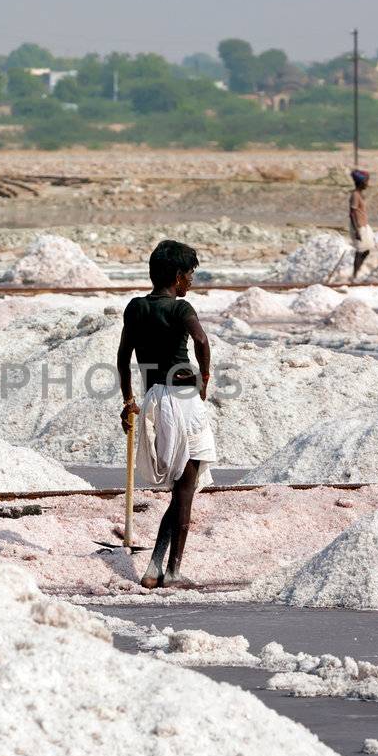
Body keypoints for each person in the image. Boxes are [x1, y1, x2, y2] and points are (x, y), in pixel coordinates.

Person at [117, 240, 216, 590]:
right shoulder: (180, 308)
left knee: (180, 489)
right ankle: (172, 572)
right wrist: (204, 378)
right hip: (183, 399)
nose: (192, 281)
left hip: (155, 398)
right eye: (190, 274)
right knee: (186, 489)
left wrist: (129, 401)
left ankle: (154, 567)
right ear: (177, 277)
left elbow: (122, 357)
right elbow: (202, 341)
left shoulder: (136, 307)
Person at [347, 168, 373, 280]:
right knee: (359, 251)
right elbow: (352, 213)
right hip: (358, 226)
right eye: (366, 181)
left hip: (363, 225)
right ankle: (354, 275)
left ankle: (357, 273)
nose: (367, 184)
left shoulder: (359, 194)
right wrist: (357, 230)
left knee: (366, 250)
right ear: (361, 182)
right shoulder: (355, 195)